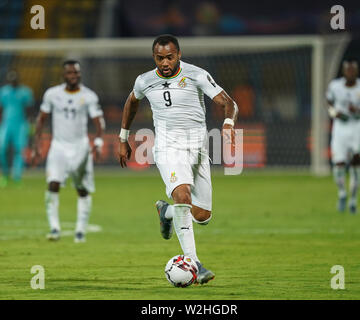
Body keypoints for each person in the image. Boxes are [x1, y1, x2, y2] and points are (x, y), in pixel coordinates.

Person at [118, 34, 238, 284]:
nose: (164, 62)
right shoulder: (144, 81)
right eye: (160, 58)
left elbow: (228, 103)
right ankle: (195, 264)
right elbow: (131, 102)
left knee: (202, 215)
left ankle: (167, 212)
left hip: (198, 149)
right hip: (168, 148)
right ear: (154, 57)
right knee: (182, 196)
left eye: (169, 57)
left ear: (179, 55)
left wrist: (227, 124)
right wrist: (123, 138)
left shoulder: (196, 75)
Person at [32, 60, 105, 242]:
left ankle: (80, 230)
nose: (73, 76)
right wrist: (36, 143)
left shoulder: (89, 96)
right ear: (63, 75)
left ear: (79, 74)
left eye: (76, 73)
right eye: (70, 73)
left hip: (80, 147)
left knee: (81, 189)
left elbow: (99, 122)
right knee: (53, 184)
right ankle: (54, 228)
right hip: (58, 146)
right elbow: (41, 119)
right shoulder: (52, 94)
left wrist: (98, 141)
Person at [326, 59, 360, 213]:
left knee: (356, 163)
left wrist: (359, 110)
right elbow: (328, 104)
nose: (350, 72)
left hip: (356, 126)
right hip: (340, 127)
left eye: (353, 69)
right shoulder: (335, 87)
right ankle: (342, 193)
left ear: (357, 70)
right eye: (348, 69)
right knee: (339, 163)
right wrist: (334, 113)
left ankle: (353, 200)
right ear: (343, 70)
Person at [0, 70, 34, 187]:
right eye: (11, 80)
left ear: (18, 80)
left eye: (15, 80)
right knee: (1, 149)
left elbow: (29, 109)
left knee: (19, 150)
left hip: (20, 124)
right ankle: (4, 174)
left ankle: (17, 176)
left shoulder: (25, 92)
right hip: (6, 124)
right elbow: (1, 108)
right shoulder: (4, 92)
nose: (13, 83)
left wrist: (29, 124)